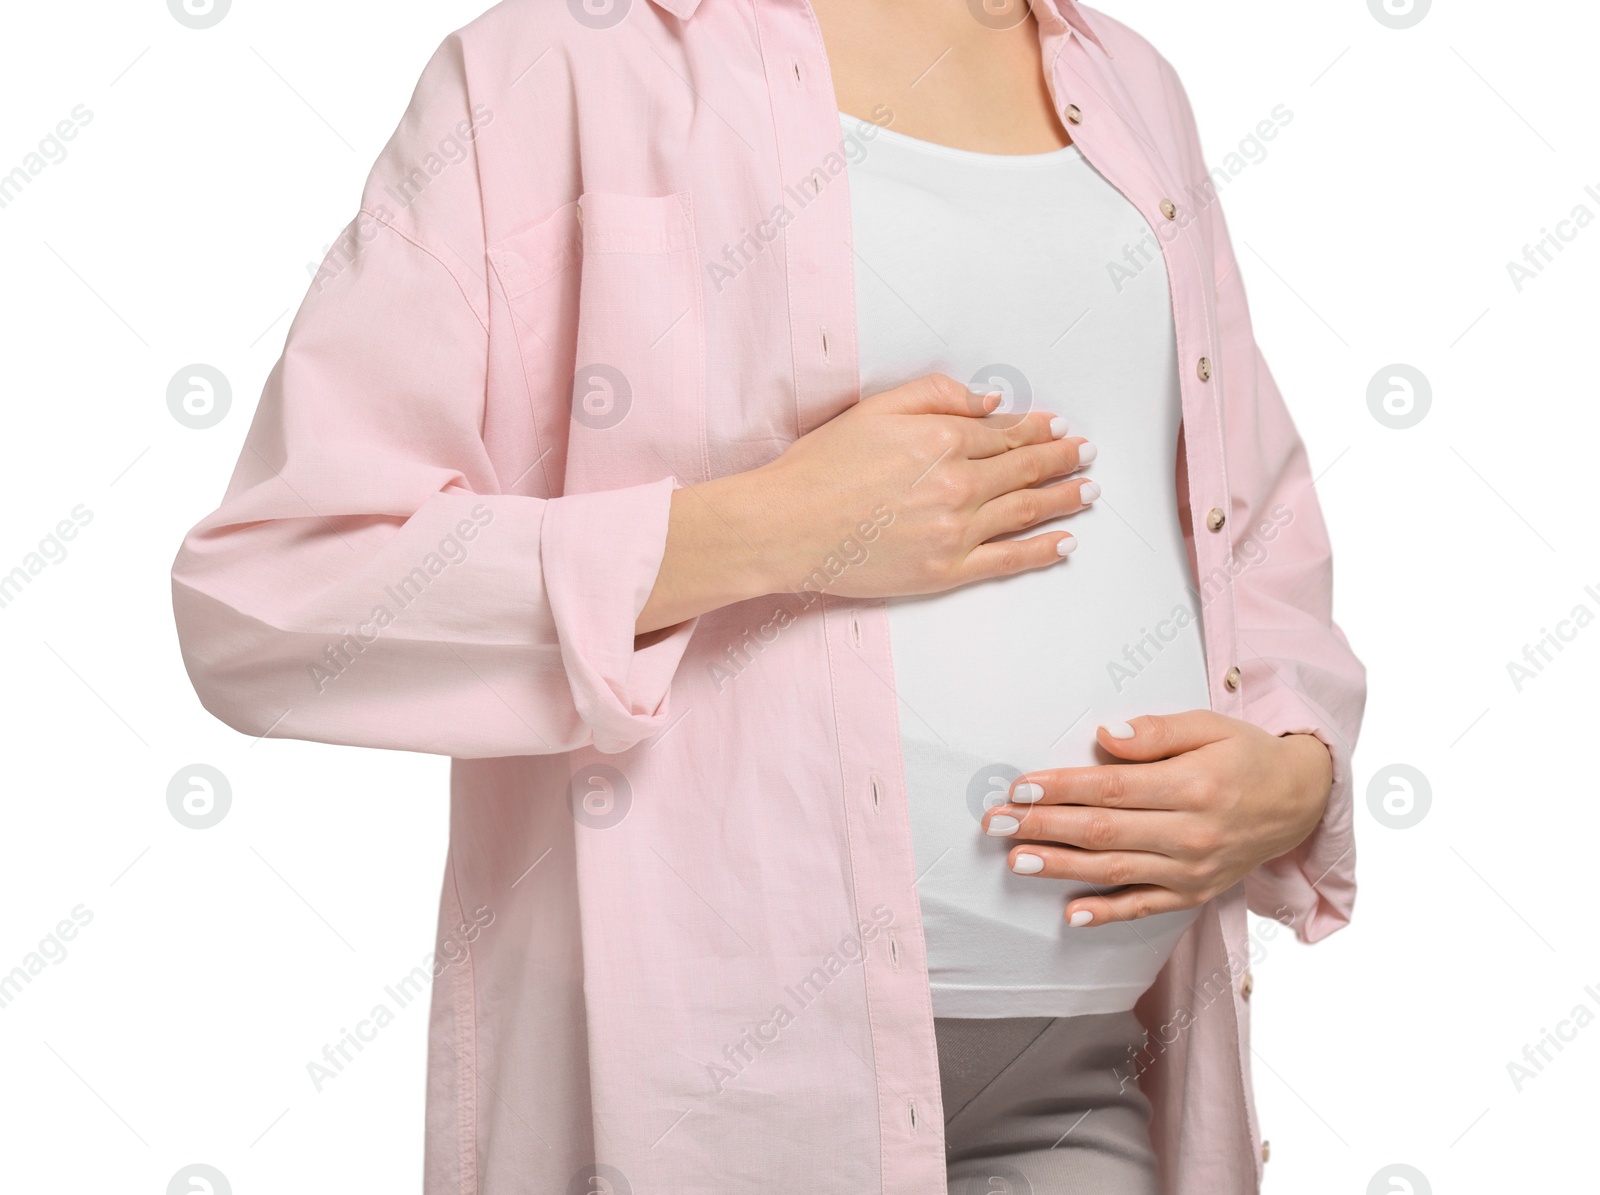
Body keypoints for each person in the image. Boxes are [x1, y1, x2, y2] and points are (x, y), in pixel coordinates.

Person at [171, 1, 1366, 1190]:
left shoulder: (1132, 83)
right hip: (705, 1101)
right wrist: (757, 530)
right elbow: (276, 593)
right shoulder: (556, 64)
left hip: (1102, 1074)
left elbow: (1254, 539)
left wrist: (1291, 776)